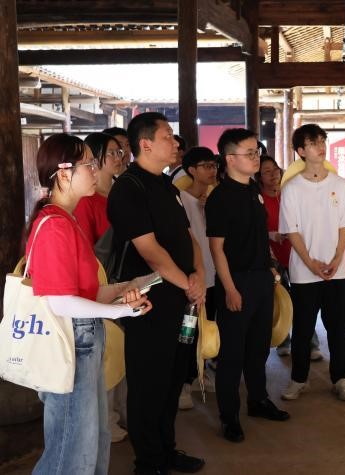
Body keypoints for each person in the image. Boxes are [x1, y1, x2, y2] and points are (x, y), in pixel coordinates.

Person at [26, 133, 151, 475]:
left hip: (84, 341)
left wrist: (124, 289)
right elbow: (60, 301)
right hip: (71, 342)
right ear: (64, 173)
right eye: (89, 164)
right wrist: (119, 311)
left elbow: (82, 292)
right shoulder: (54, 225)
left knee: (92, 442)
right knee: (71, 452)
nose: (96, 170)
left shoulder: (68, 220)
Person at [107, 112, 206, 474]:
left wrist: (199, 275)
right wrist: (189, 283)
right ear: (145, 144)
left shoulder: (166, 185)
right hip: (147, 303)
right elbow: (150, 252)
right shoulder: (129, 187)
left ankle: (166, 450)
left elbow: (189, 238)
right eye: (168, 136)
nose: (175, 142)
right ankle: (148, 462)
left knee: (172, 379)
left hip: (182, 298)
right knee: (148, 383)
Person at [206, 128, 290, 444]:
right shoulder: (220, 198)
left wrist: (271, 267)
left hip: (261, 278)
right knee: (232, 354)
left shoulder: (254, 190)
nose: (256, 158)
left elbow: (258, 236)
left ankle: (258, 399)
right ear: (230, 159)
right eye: (250, 153)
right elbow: (217, 249)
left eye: (257, 151)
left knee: (259, 347)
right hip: (236, 281)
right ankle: (229, 417)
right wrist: (229, 289)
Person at [279, 124, 345, 402]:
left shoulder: (339, 184)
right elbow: (292, 231)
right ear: (301, 151)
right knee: (302, 329)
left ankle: (341, 379)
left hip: (336, 270)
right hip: (304, 271)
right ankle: (298, 380)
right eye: (313, 143)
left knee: (337, 328)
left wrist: (337, 257)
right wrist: (310, 263)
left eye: (322, 141)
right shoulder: (292, 188)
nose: (320, 147)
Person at [74, 131, 128, 442]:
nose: (119, 157)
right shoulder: (87, 202)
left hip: (126, 283)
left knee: (123, 352)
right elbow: (87, 253)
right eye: (111, 153)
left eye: (120, 152)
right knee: (107, 353)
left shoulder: (123, 192)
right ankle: (107, 418)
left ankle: (122, 411)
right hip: (103, 286)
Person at [256, 155, 322, 360]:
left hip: (297, 254)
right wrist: (272, 235)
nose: (273, 174)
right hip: (272, 259)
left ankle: (311, 343)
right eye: (267, 171)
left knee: (304, 301)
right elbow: (254, 231)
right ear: (259, 177)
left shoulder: (290, 193)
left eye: (275, 169)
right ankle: (283, 339)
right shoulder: (257, 199)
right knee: (280, 300)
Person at [177, 146, 219, 409]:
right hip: (192, 279)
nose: (212, 170)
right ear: (191, 170)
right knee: (188, 331)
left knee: (208, 328)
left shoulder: (215, 198)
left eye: (214, 165)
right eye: (206, 166)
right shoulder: (180, 199)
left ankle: (201, 375)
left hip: (214, 276)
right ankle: (183, 383)